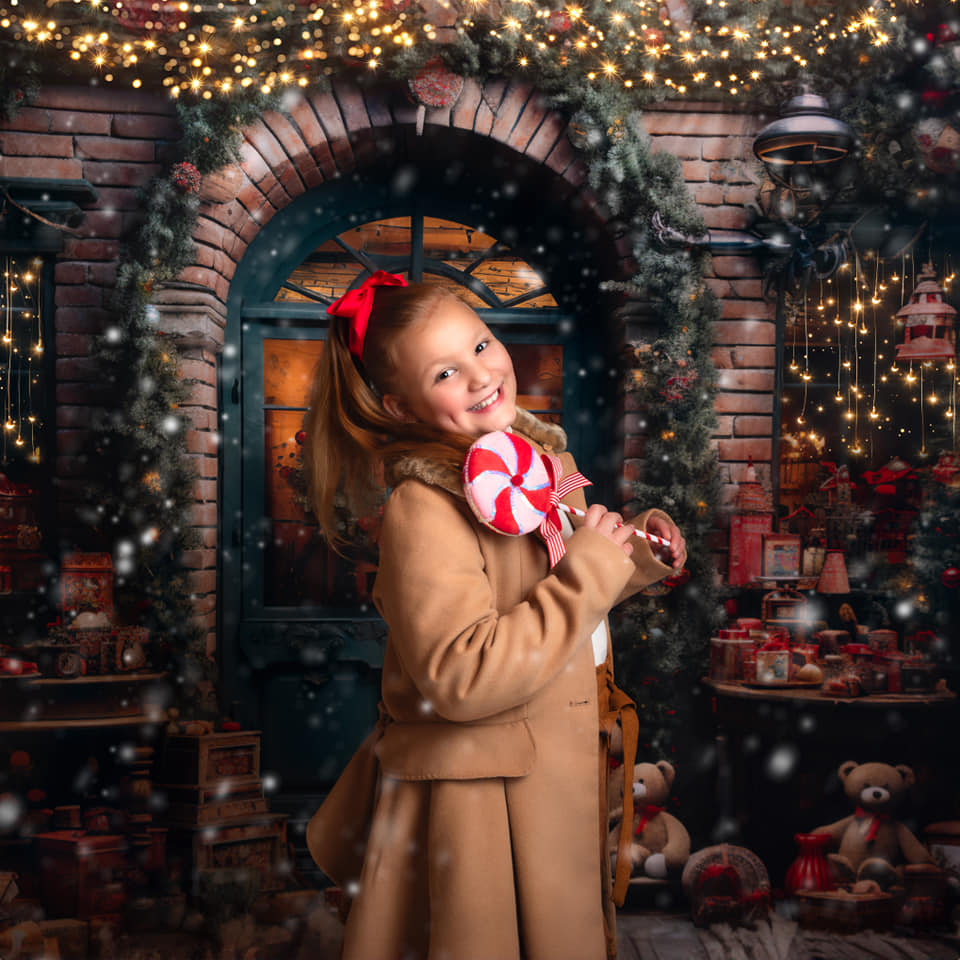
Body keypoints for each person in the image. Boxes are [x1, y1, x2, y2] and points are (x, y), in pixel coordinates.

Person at [303, 271, 686, 960]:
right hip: (481, 801)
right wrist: (588, 572)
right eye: (447, 371)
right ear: (399, 405)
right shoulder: (426, 507)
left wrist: (633, 559)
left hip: (552, 767)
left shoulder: (537, 464)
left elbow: (554, 603)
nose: (483, 375)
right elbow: (464, 676)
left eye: (481, 344)